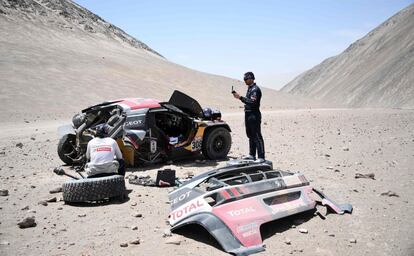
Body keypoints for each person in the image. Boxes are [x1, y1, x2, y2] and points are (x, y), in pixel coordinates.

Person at [232, 71, 265, 162]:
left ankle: (261, 157)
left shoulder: (255, 89)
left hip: (254, 115)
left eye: (246, 79)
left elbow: (252, 102)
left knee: (257, 135)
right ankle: (252, 154)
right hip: (248, 114)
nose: (245, 81)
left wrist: (240, 97)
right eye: (244, 79)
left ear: (251, 78)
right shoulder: (250, 89)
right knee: (250, 135)